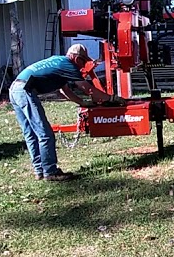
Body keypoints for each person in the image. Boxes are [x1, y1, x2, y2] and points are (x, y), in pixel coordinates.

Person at [9, 44, 108, 181]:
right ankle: (50, 172)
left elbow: (65, 91)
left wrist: (84, 103)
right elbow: (86, 88)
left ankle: (39, 171)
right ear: (76, 58)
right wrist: (109, 98)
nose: (83, 65)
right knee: (45, 134)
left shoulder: (59, 61)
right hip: (25, 90)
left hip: (15, 89)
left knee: (30, 133)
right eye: (83, 61)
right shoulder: (69, 65)